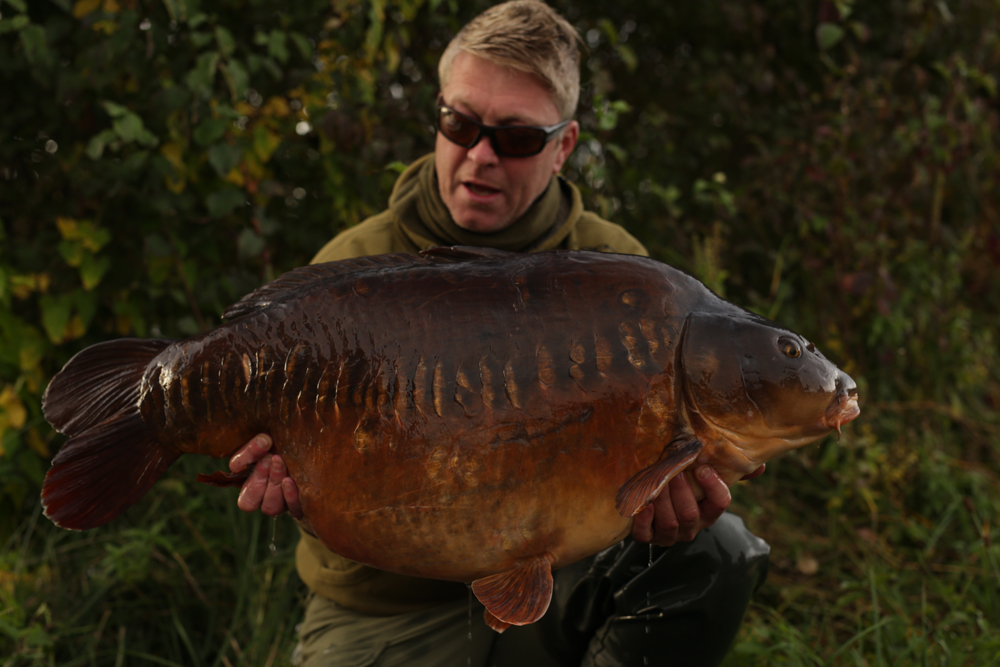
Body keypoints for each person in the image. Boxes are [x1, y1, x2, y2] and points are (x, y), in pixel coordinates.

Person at [227, 2, 769, 665]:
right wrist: (282, 474)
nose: (480, 156)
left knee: (718, 551)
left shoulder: (621, 276)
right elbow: (291, 460)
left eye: (515, 138)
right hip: (388, 605)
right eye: (460, 124)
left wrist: (667, 508)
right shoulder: (350, 272)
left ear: (564, 146)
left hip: (566, 582)